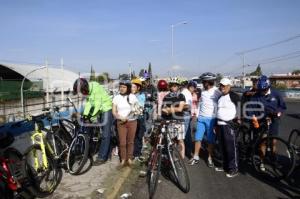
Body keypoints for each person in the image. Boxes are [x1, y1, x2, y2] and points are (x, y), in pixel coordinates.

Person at [248, 75, 287, 171]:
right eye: (261, 90)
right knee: (263, 141)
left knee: (273, 142)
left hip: (274, 120)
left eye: (265, 90)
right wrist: (253, 117)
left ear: (268, 87)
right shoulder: (256, 95)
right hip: (261, 120)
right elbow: (250, 108)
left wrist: (278, 112)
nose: (263, 92)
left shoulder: (276, 94)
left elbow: (282, 106)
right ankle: (261, 161)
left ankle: (274, 159)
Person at [73, 78, 113, 165]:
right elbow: (89, 104)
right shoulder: (88, 91)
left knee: (105, 134)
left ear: (85, 88)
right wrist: (85, 115)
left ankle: (102, 157)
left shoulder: (95, 87)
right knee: (99, 131)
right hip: (100, 109)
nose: (82, 94)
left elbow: (97, 105)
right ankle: (100, 149)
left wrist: (90, 116)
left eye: (82, 92)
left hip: (106, 108)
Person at [189, 72, 221, 167]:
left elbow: (220, 105)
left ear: (208, 82)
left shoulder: (217, 92)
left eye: (203, 81)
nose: (202, 83)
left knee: (210, 140)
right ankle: (196, 157)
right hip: (201, 119)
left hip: (211, 119)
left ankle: (210, 158)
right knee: (198, 138)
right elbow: (200, 104)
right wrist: (197, 115)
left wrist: (217, 120)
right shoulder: (203, 92)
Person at [216, 78, 241, 178]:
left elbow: (240, 108)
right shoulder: (220, 97)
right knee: (222, 148)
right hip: (220, 125)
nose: (222, 87)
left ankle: (233, 168)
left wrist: (238, 119)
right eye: (221, 85)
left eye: (224, 85)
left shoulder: (234, 96)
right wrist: (215, 125)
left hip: (229, 125)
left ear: (229, 86)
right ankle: (226, 166)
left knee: (231, 148)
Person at [112, 80, 139, 167]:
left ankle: (130, 158)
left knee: (130, 141)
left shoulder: (133, 97)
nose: (122, 89)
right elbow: (114, 112)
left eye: (124, 87)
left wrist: (135, 112)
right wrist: (120, 117)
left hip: (132, 122)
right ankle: (123, 159)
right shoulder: (116, 98)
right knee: (122, 142)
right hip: (121, 122)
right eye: (120, 87)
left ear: (128, 88)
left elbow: (137, 109)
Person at [161, 77, 186, 158]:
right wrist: (174, 109)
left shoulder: (181, 96)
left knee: (181, 141)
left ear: (178, 86)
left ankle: (182, 158)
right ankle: (172, 158)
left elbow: (180, 109)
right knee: (171, 141)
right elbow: (163, 110)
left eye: (175, 86)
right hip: (170, 121)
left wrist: (170, 109)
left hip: (179, 121)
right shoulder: (166, 97)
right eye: (172, 86)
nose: (174, 87)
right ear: (170, 86)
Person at [181, 80, 197, 159]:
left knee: (186, 133)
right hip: (185, 113)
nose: (194, 90)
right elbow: (186, 105)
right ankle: (187, 152)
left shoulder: (186, 92)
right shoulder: (186, 93)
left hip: (186, 114)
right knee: (186, 134)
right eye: (194, 88)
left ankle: (187, 151)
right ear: (191, 87)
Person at [131, 78, 146, 160]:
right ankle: (132, 153)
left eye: (133, 87)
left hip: (139, 119)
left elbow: (140, 107)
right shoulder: (129, 96)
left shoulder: (141, 96)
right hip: (131, 119)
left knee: (138, 137)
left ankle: (137, 153)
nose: (132, 88)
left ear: (138, 88)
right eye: (131, 87)